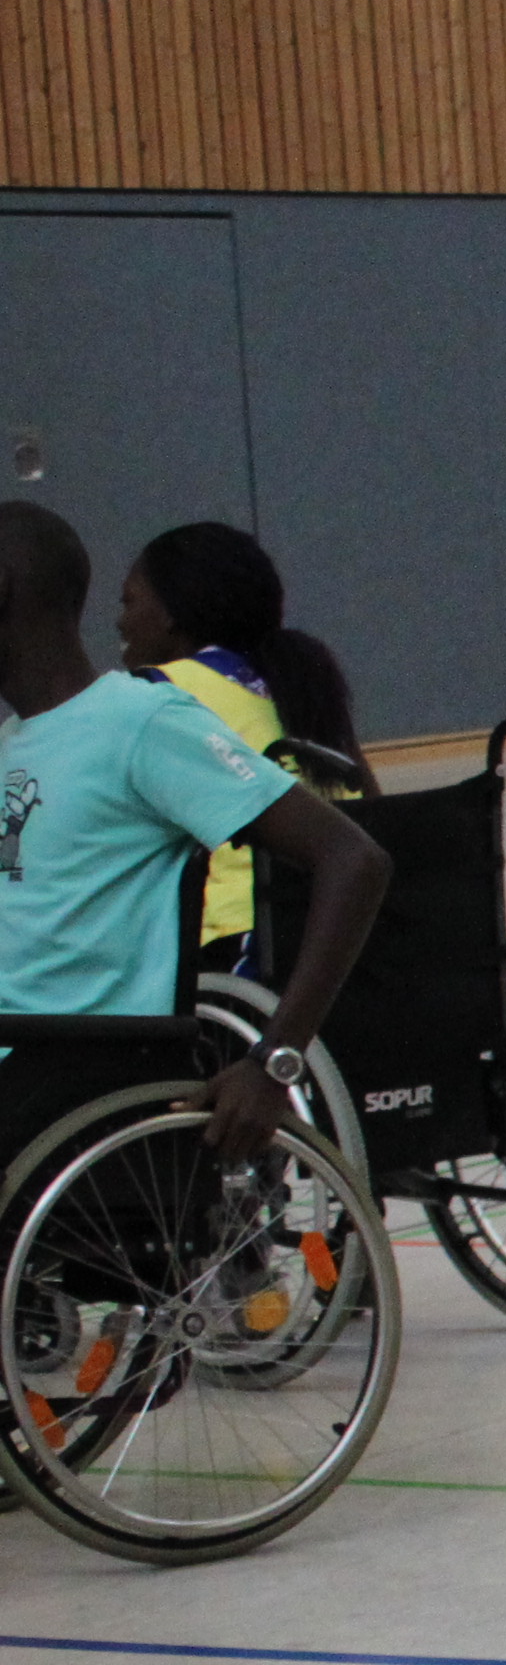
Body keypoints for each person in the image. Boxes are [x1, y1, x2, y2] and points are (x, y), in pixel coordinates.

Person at [0, 501, 389, 1172]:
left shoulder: (138, 722)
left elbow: (353, 858)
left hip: (71, 1067)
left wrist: (275, 1060)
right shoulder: (14, 744)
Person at [112, 520, 359, 965]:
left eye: (128, 602)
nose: (119, 621)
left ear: (170, 615)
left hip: (237, 940)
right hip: (342, 925)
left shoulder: (160, 692)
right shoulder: (301, 682)